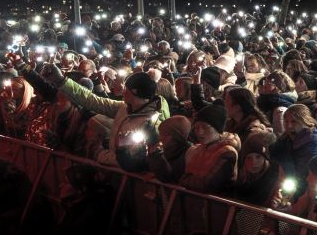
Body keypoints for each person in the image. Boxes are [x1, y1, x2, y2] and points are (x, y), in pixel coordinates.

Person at [41, 64, 169, 169]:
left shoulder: (151, 124)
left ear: (135, 92)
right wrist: (62, 81)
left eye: (126, 89)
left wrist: (101, 154)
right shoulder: (123, 107)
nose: (122, 91)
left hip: (129, 181)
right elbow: (92, 101)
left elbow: (134, 159)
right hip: (112, 172)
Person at [179, 104, 240, 193]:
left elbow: (207, 185)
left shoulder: (227, 153)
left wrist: (184, 179)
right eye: (196, 128)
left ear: (217, 128)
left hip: (218, 205)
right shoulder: (196, 149)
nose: (200, 132)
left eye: (205, 127)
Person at [270, 103, 317, 180]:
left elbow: (303, 174)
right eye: (286, 121)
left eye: (294, 122)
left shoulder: (313, 144)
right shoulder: (288, 137)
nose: (289, 126)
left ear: (304, 121)